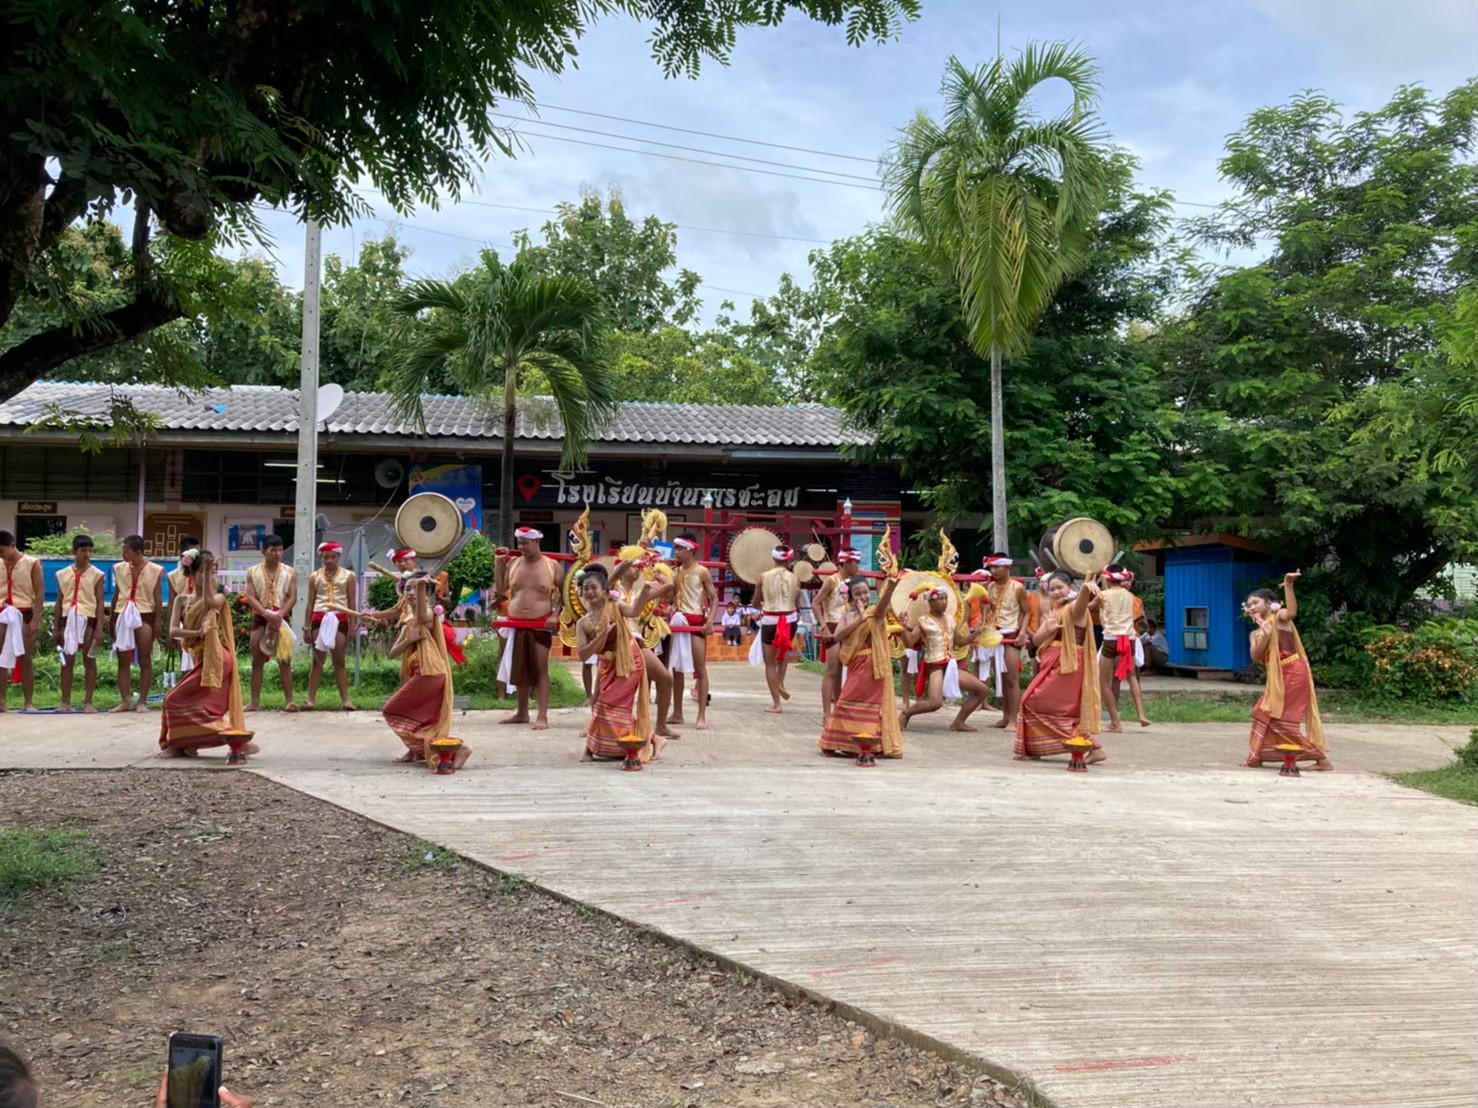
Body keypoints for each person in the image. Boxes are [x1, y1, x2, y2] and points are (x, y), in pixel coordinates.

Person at [158, 549, 255, 759]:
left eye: (213, 572)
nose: (209, 576)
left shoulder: (220, 596)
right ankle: (190, 744)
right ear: (192, 574)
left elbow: (210, 602)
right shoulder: (182, 600)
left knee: (173, 700)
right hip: (201, 657)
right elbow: (173, 631)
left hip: (218, 658)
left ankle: (181, 744)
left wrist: (210, 577)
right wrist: (196, 633)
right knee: (195, 705)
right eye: (203, 571)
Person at [575, 562, 673, 764]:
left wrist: (645, 590)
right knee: (603, 705)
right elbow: (583, 655)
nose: (590, 592)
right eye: (586, 589)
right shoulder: (582, 623)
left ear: (604, 590)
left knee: (604, 703)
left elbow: (635, 611)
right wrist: (602, 636)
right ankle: (654, 738)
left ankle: (590, 748)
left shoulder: (614, 605)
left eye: (594, 588)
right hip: (607, 663)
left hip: (629, 659)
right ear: (581, 592)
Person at [1245, 571, 1331, 771]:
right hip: (1277, 676)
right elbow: (1256, 657)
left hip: (1294, 671)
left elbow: (1292, 612)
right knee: (1262, 713)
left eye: (1255, 602)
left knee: (1280, 719)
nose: (1251, 607)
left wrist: (1288, 585)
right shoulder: (1255, 633)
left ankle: (1321, 760)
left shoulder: (1280, 617)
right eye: (1248, 605)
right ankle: (1257, 757)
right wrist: (1265, 633)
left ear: (1268, 603)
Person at [1015, 571, 1105, 764]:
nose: (1056, 592)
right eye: (1052, 589)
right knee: (1038, 705)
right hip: (1053, 663)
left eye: (1060, 587)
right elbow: (1036, 641)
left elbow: (1081, 604)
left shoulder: (1075, 609)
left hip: (1068, 666)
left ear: (1070, 587)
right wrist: (1047, 629)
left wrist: (1085, 590)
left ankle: (1092, 747)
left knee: (1033, 702)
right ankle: (1036, 749)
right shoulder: (1054, 613)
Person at [382, 574, 468, 769]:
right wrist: (408, 640)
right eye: (408, 588)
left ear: (427, 595)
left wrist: (421, 585)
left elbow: (421, 614)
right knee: (421, 718)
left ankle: (457, 749)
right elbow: (392, 653)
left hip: (430, 673)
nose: (411, 592)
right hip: (419, 673)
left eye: (417, 589)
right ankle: (415, 751)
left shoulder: (427, 614)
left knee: (391, 709)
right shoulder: (409, 622)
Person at [819, 574, 903, 758]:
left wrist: (891, 587)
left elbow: (883, 604)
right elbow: (837, 637)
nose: (862, 597)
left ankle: (870, 746)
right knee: (845, 702)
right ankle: (841, 743)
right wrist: (859, 620)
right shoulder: (847, 617)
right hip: (855, 665)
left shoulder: (875, 612)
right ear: (850, 597)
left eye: (865, 592)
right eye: (857, 594)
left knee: (865, 705)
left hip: (873, 667)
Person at [493, 526, 563, 730]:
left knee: (540, 669)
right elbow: (500, 589)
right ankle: (522, 712)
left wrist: (555, 614)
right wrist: (498, 565)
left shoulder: (552, 566)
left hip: (541, 624)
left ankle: (542, 716)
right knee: (520, 669)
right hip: (516, 624)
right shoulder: (514, 564)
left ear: (536, 542)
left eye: (525, 543)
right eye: (519, 543)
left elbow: (565, 594)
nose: (522, 547)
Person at [898, 587, 992, 732]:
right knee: (935, 703)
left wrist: (977, 633)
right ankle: (906, 714)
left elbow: (960, 642)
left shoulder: (950, 619)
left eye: (946, 598)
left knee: (982, 690)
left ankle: (958, 723)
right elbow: (909, 642)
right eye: (941, 599)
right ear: (931, 602)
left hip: (950, 666)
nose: (944, 602)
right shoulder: (923, 621)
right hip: (934, 667)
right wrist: (903, 628)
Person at [610, 549, 680, 739]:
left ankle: (661, 726)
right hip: (614, 643)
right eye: (634, 566)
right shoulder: (611, 589)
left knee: (666, 679)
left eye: (639, 567)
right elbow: (613, 576)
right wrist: (628, 559)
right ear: (622, 568)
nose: (637, 570)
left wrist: (655, 572)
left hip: (636, 642)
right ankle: (597, 725)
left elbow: (669, 585)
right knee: (605, 687)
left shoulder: (641, 592)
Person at [244, 534, 298, 712]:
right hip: (260, 617)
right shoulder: (252, 572)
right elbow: (250, 597)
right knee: (257, 660)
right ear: (264, 552)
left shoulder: (290, 572)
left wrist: (279, 614)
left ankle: (289, 701)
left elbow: (292, 597)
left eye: (280, 550)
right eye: (273, 550)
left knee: (285, 660)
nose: (277, 553)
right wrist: (265, 613)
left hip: (281, 618)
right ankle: (254, 701)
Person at [110, 534, 164, 714]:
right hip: (123, 611)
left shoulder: (155, 570)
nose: (123, 554)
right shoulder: (119, 568)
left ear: (138, 552)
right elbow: (116, 594)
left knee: (145, 657)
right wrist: (112, 618)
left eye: (126, 551)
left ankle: (142, 701)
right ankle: (125, 701)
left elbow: (157, 597)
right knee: (123, 657)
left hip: (144, 612)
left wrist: (158, 621)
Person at [667, 534, 716, 730]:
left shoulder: (702, 572)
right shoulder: (675, 571)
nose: (677, 552)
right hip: (678, 620)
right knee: (676, 669)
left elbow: (714, 598)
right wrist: (671, 606)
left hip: (695, 622)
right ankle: (677, 713)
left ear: (690, 550)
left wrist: (710, 621)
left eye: (680, 548)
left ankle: (701, 716)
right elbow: (674, 597)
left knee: (700, 668)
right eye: (675, 548)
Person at [53, 533, 106, 713]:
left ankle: (88, 702)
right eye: (83, 550)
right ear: (74, 552)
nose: (87, 554)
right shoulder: (62, 574)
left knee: (89, 660)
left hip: (88, 618)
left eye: (90, 551)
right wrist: (56, 627)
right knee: (67, 661)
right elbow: (59, 601)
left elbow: (100, 602)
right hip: (68, 618)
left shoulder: (97, 574)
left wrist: (100, 627)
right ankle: (65, 702)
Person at [303, 541, 357, 711]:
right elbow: (310, 602)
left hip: (340, 617)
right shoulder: (315, 576)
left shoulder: (349, 576)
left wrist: (353, 625)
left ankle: (346, 700)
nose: (329, 560)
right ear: (321, 558)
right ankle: (310, 699)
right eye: (326, 557)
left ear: (338, 557)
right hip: (319, 617)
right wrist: (306, 626)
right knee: (317, 660)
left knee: (339, 660)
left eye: (333, 557)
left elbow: (351, 601)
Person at [1096, 564, 1150, 730]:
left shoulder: (1103, 595)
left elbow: (1086, 607)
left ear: (1107, 579)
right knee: (1132, 676)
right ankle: (1141, 714)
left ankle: (1115, 722)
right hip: (1129, 638)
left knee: (1104, 681)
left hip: (1111, 638)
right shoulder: (1131, 597)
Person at [980, 555, 1030, 731]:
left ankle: (1014, 720)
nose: (993, 571)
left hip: (1012, 634)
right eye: (991, 568)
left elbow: (1027, 611)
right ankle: (1005, 717)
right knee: (1000, 676)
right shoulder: (990, 587)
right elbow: (988, 611)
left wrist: (1022, 632)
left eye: (996, 567)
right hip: (995, 634)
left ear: (1007, 567)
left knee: (1011, 678)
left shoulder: (1018, 587)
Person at [813, 548, 862, 721]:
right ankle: (826, 713)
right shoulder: (831, 581)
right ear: (846, 563)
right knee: (832, 670)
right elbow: (815, 604)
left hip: (849, 626)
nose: (858, 566)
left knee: (842, 671)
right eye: (856, 563)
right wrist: (824, 627)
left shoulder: (854, 582)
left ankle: (838, 710)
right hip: (833, 626)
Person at [750, 545, 800, 714]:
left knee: (770, 663)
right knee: (783, 651)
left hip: (771, 620)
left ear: (773, 558)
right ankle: (781, 682)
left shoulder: (763, 577)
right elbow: (796, 603)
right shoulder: (795, 578)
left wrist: (763, 605)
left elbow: (755, 603)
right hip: (790, 620)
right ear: (789, 559)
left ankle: (777, 704)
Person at [0, 530, 43, 713]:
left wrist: (36, 620)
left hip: (24, 611)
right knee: (0, 658)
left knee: (26, 657)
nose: (1, 555)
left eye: (2, 551)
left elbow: (39, 592)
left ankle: (28, 702)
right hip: (2, 611)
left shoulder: (32, 563)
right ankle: (1, 701)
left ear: (12, 545)